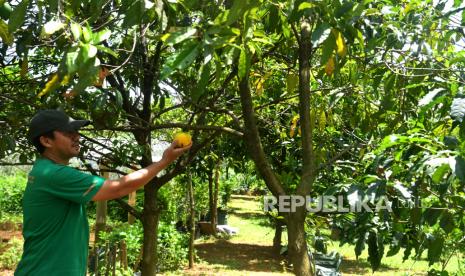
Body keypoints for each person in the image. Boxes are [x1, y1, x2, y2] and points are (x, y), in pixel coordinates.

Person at [14, 109, 191, 276]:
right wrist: (165, 160)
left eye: (76, 131)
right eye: (68, 133)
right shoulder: (54, 175)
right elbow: (120, 187)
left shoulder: (45, 171)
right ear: (46, 141)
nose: (77, 136)